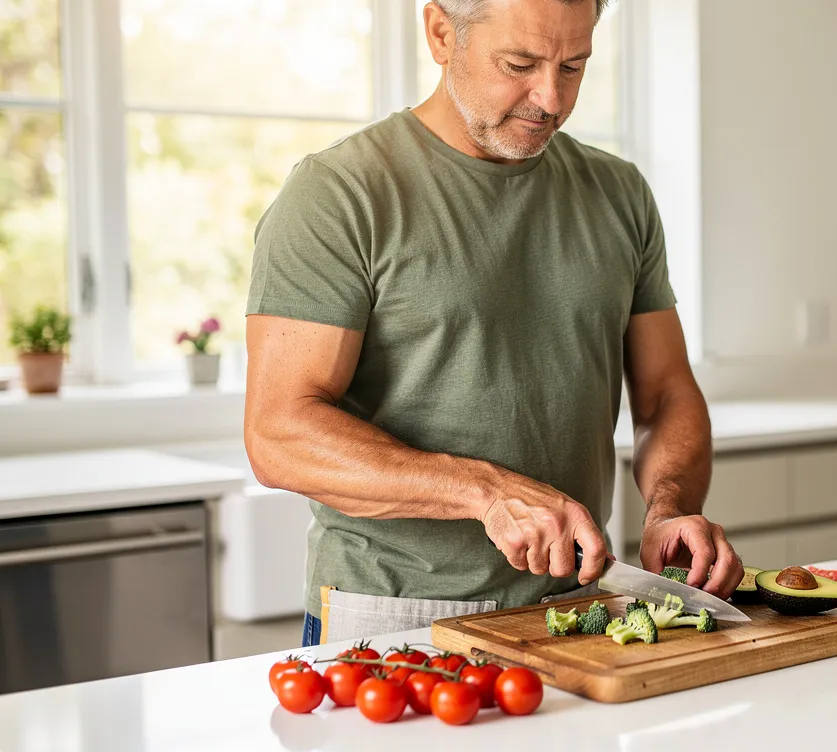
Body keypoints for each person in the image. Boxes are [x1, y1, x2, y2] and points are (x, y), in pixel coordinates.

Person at [243, 0, 741, 646]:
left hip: (578, 611)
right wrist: (484, 492)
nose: (551, 98)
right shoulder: (339, 195)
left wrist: (670, 506)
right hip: (393, 619)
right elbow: (278, 432)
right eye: (520, 63)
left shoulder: (619, 196)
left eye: (574, 65)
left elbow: (668, 391)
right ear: (442, 33)